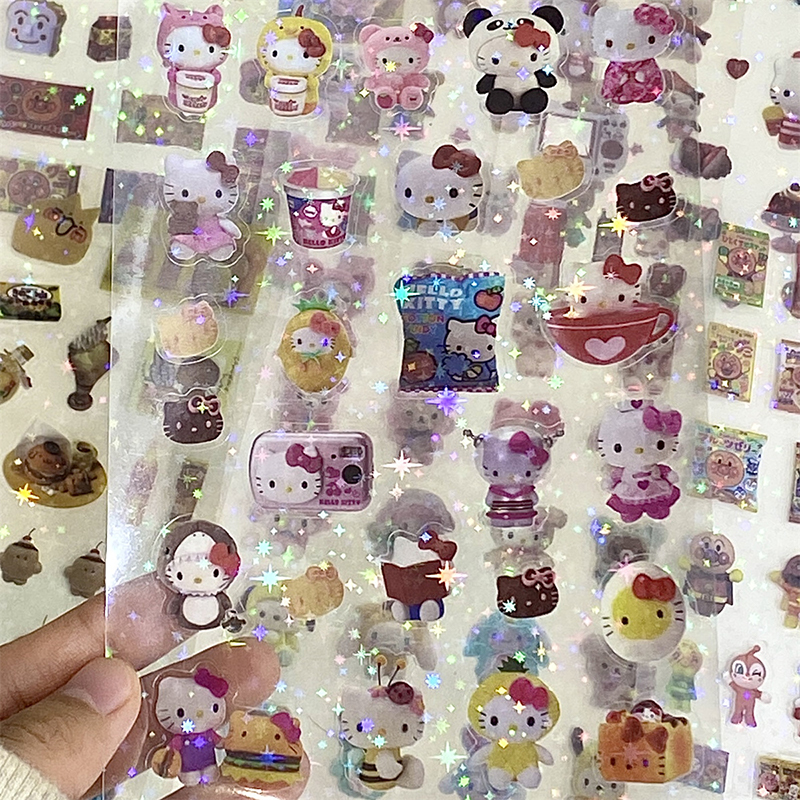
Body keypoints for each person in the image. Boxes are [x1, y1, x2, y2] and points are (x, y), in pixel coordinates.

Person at [0, 576, 271, 799]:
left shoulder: (207, 731)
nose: (199, 715)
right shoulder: (175, 733)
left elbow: (219, 740)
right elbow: (170, 748)